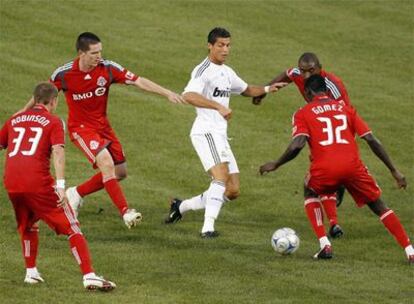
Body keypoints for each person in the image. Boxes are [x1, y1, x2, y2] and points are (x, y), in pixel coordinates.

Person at [19, 32, 185, 228]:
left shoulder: (108, 68)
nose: (99, 56)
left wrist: (166, 93)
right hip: (80, 129)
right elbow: (43, 93)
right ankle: (126, 212)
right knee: (106, 164)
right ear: (81, 53)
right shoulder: (64, 74)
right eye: (94, 53)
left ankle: (76, 193)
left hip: (103, 127)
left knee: (119, 173)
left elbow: (139, 80)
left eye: (100, 51)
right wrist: (23, 113)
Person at [259, 75, 414, 262]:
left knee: (310, 190)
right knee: (379, 206)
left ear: (308, 92)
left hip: (325, 168)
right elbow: (371, 139)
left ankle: (325, 244)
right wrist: (394, 170)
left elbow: (297, 145)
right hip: (353, 167)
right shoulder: (346, 109)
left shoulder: (303, 113)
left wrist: (276, 163)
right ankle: (409, 250)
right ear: (325, 90)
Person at [164, 27, 287, 238]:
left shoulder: (227, 72)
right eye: (221, 45)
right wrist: (218, 107)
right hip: (205, 132)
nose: (225, 50)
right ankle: (207, 228)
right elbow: (189, 95)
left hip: (220, 135)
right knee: (220, 177)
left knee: (232, 190)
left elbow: (246, 89)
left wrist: (267, 89)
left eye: (228, 45)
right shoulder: (203, 70)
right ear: (209, 46)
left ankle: (180, 207)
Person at [0, 82, 116, 290]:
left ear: (34, 99)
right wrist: (61, 186)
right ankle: (89, 275)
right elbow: (59, 151)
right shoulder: (53, 121)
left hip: (12, 183)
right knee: (72, 227)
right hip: (38, 182)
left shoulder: (14, 119)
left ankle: (31, 272)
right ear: (53, 101)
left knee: (27, 224)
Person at [253, 52, 350, 238]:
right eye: (303, 71)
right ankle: (334, 223)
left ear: (320, 69)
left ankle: (327, 230)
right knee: (320, 170)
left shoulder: (333, 87)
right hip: (317, 122)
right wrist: (264, 91)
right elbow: (287, 74)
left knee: (319, 175)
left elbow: (346, 117)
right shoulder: (300, 74)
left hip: (338, 127)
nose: (306, 76)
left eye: (311, 71)